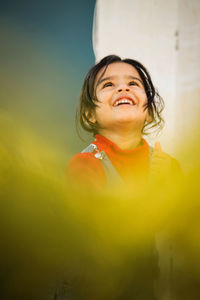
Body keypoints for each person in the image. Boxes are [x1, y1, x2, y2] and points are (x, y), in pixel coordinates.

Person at [67, 55, 181, 190]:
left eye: (133, 83)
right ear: (90, 114)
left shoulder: (170, 167)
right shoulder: (84, 166)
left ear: (149, 112)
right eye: (108, 84)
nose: (123, 88)